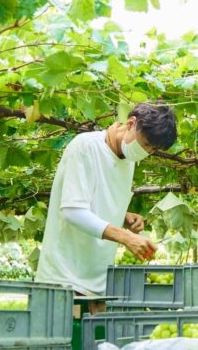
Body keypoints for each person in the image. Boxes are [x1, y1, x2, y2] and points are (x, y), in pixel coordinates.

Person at [32, 102, 177, 295]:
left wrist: (123, 217)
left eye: (153, 150)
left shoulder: (128, 160)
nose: (146, 152)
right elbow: (73, 211)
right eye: (146, 144)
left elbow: (95, 200)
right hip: (64, 279)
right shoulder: (85, 146)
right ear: (131, 123)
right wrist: (126, 237)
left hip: (99, 281)